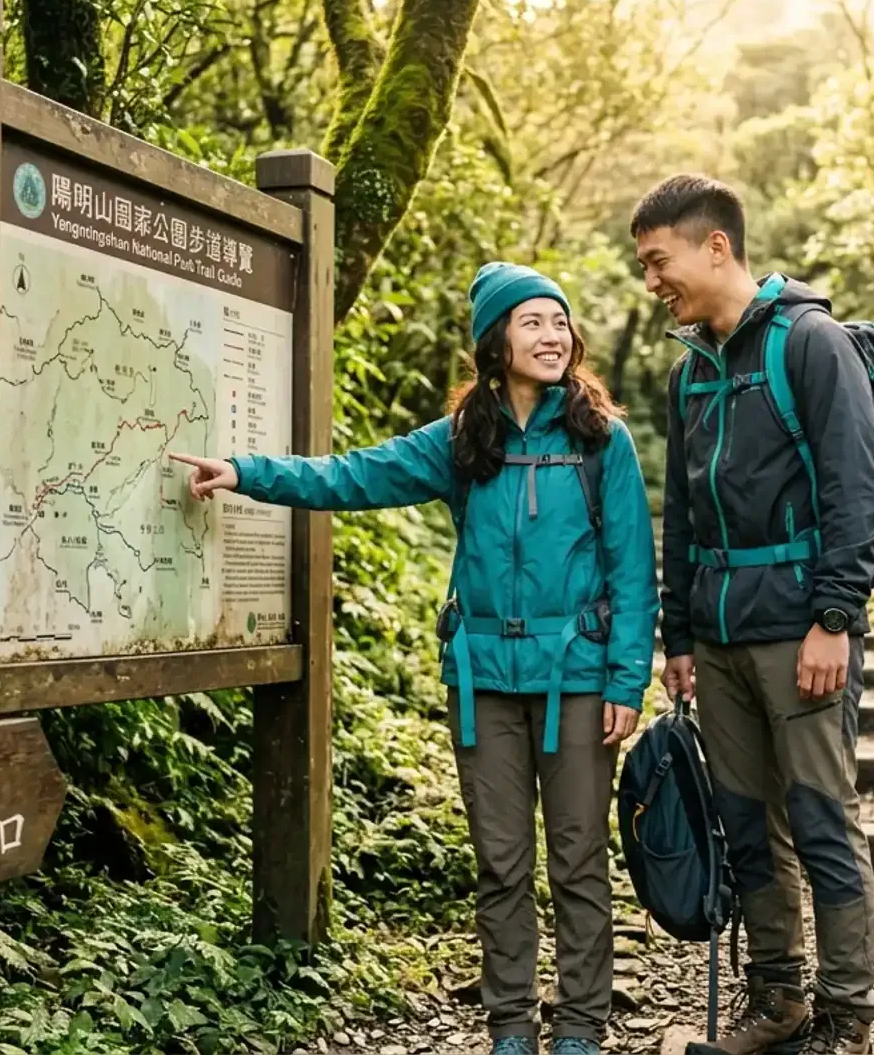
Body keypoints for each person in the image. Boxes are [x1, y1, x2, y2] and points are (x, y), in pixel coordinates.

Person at [170, 262, 656, 1055]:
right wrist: (248, 473)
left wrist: (626, 680)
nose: (552, 335)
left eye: (559, 322)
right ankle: (509, 1027)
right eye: (532, 322)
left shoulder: (602, 440)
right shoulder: (465, 439)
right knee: (500, 862)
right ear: (495, 341)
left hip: (577, 679)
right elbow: (357, 474)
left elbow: (634, 569)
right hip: (484, 683)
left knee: (578, 859)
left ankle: (578, 1027)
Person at [634, 174, 874, 1055]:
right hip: (722, 634)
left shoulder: (810, 344)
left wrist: (835, 617)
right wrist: (680, 637)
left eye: (659, 261)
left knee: (820, 816)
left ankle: (847, 1014)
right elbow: (682, 516)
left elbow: (856, 490)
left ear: (716, 246)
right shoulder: (688, 372)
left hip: (800, 629)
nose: (652, 280)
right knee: (746, 823)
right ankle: (777, 998)